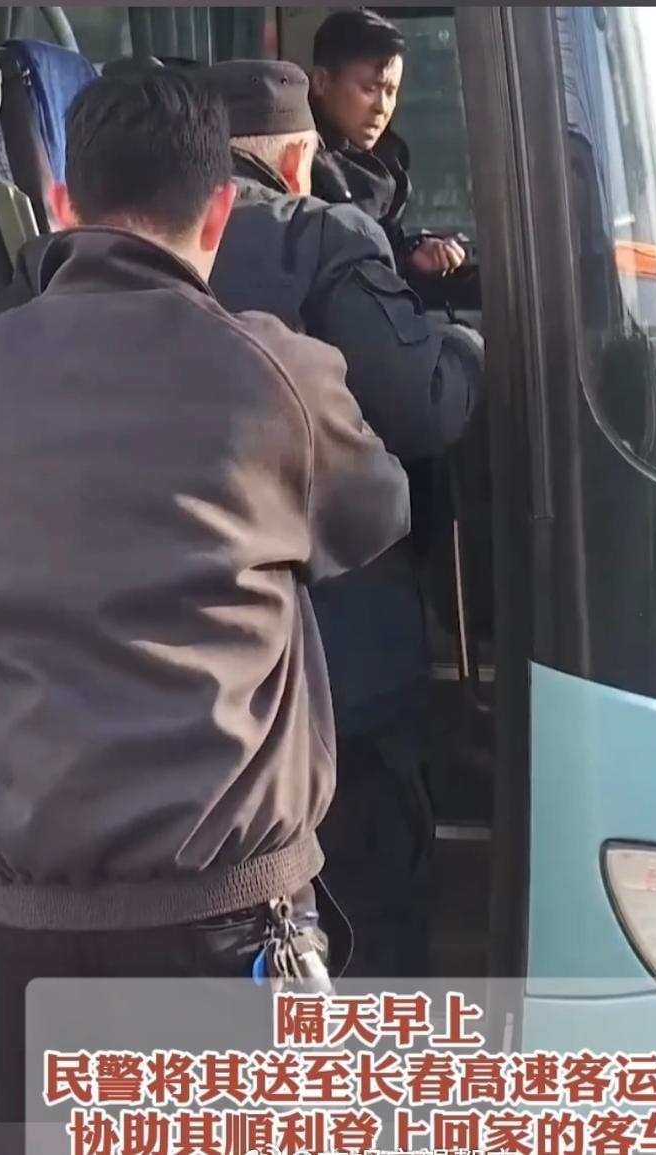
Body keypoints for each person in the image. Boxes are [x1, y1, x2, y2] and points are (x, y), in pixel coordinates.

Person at [0, 67, 410, 1120]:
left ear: (62, 204)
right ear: (219, 211)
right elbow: (375, 516)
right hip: (224, 932)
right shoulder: (273, 371)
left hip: (25, 940)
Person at [202, 57, 486, 981]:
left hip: (176, 698)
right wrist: (465, 341)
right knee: (369, 898)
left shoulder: (103, 261)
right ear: (297, 158)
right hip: (336, 673)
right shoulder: (324, 237)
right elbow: (424, 406)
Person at [308, 8, 466, 286]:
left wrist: (412, 258)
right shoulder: (303, 167)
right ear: (322, 82)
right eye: (369, 89)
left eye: (391, 92)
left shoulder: (387, 164)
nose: (382, 107)